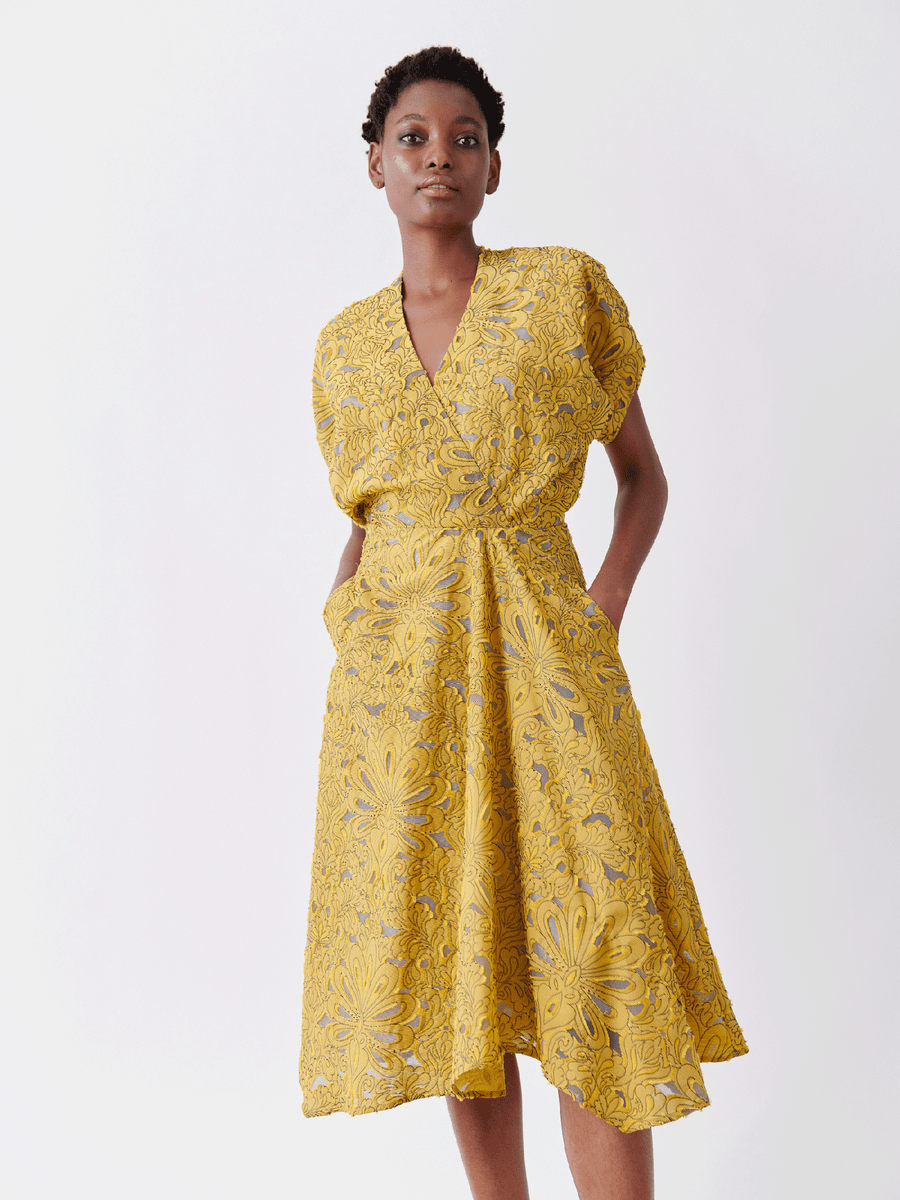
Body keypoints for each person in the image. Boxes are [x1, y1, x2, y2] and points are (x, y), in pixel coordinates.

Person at [299, 46, 747, 1200]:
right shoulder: (345, 348)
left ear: (494, 167)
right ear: (374, 167)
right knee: (463, 958)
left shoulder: (561, 292)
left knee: (595, 948)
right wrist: (350, 615)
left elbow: (642, 477)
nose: (437, 156)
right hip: (402, 680)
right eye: (412, 138)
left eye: (463, 138)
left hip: (550, 656)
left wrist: (598, 609)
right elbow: (366, 511)